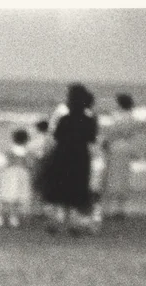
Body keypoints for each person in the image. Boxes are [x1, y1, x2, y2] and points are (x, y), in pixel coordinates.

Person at [37, 83, 99, 234]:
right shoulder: (90, 120)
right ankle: (74, 223)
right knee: (77, 188)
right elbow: (91, 139)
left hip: (63, 154)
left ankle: (58, 222)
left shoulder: (64, 118)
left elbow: (57, 136)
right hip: (80, 156)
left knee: (61, 187)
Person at [99, 93, 141, 220]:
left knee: (111, 177)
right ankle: (120, 209)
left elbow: (111, 133)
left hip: (115, 147)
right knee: (123, 177)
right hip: (127, 146)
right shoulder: (132, 118)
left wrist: (104, 142)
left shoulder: (117, 117)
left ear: (120, 103)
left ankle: (107, 209)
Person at [0, 128, 33, 228]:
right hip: (22, 175)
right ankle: (14, 218)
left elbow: (4, 163)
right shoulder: (27, 152)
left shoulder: (9, 151)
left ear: (13, 139)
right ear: (26, 140)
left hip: (10, 174)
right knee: (17, 197)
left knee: (4, 196)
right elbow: (30, 165)